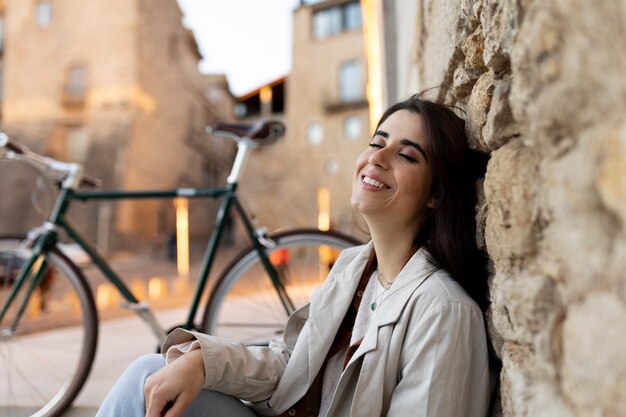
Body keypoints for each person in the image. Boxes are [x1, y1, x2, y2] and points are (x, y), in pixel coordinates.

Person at [96, 94, 494, 417]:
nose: (377, 157)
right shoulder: (353, 267)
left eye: (406, 156)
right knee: (150, 374)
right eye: (376, 142)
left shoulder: (443, 312)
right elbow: (293, 364)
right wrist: (203, 362)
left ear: (436, 194)